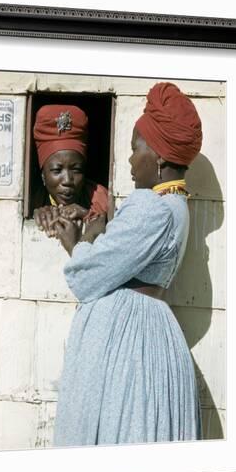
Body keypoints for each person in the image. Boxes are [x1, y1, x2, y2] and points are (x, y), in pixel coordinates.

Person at [51, 82, 203, 446]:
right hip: (148, 328)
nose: (131, 161)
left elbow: (89, 276)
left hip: (126, 342)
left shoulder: (150, 206)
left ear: (160, 157)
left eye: (136, 149)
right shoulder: (178, 206)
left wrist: (80, 240)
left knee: (114, 432)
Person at [32, 104, 109, 237]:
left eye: (76, 170)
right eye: (57, 170)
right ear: (43, 176)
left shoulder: (102, 200)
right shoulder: (33, 199)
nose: (67, 180)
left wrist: (87, 215)